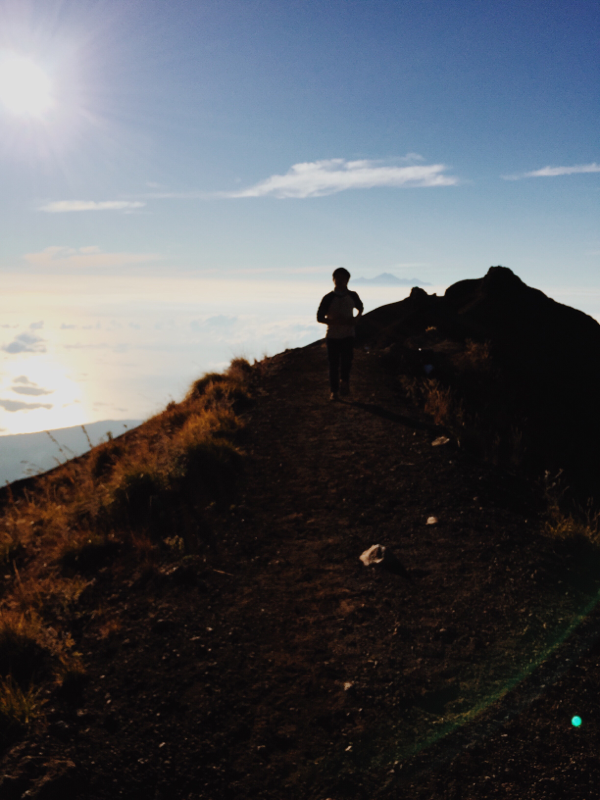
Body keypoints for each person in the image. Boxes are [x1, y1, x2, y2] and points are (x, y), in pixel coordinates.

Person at [317, 267, 364, 400]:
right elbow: (319, 317)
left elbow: (361, 308)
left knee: (346, 361)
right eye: (337, 278)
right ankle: (334, 391)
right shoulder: (328, 298)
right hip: (333, 336)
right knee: (333, 363)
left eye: (342, 278)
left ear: (347, 280)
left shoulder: (352, 295)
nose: (340, 281)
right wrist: (333, 322)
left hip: (348, 334)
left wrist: (356, 319)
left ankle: (344, 382)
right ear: (333, 280)